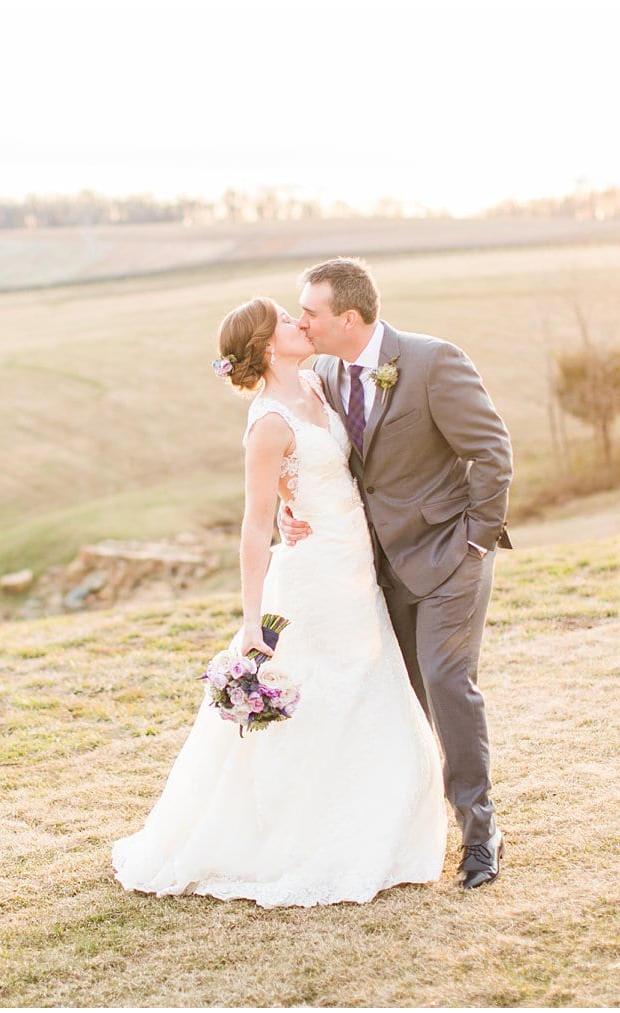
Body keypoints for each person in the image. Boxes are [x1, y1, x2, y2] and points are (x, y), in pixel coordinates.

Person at [111, 297, 446, 908]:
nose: (302, 323)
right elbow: (252, 526)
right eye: (289, 322)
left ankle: (378, 823)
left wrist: (300, 505)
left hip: (354, 565)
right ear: (268, 346)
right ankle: (302, 839)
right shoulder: (268, 425)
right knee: (325, 696)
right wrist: (249, 621)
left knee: (366, 686)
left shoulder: (318, 384)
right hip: (313, 579)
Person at [283, 257, 512, 889]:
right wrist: (289, 509)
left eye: (310, 311)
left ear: (348, 318)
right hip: (375, 568)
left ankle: (480, 832)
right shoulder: (324, 373)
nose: (301, 320)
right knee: (405, 699)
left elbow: (491, 451)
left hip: (449, 556)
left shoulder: (434, 362)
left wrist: (477, 540)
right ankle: (407, 829)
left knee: (446, 683)